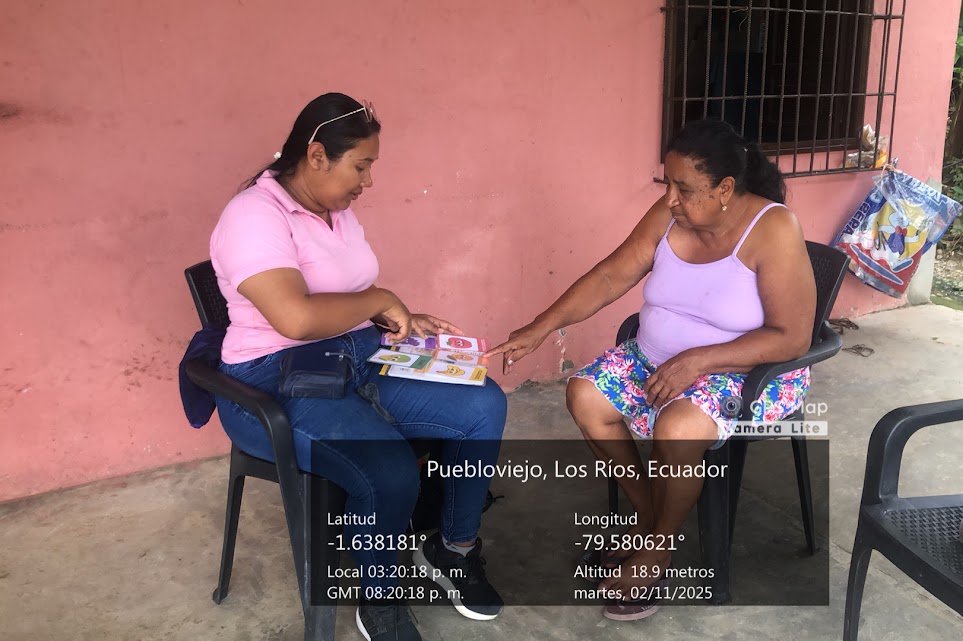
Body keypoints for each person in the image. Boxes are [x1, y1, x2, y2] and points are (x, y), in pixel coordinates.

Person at [488, 118, 816, 620]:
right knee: (584, 395)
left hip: (744, 371)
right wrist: (541, 327)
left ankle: (657, 551)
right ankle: (651, 517)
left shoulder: (772, 228)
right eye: (667, 183)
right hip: (656, 359)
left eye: (683, 188)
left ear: (725, 188)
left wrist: (700, 359)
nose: (670, 199)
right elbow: (610, 276)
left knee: (678, 427)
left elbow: (792, 337)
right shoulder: (671, 215)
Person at [209, 93, 505, 641]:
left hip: (353, 356)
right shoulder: (253, 216)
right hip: (272, 383)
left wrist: (394, 317)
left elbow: (342, 290)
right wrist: (381, 300)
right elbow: (296, 318)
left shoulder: (335, 210)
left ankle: (453, 547)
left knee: (482, 406)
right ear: (317, 156)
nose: (368, 181)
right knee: (389, 466)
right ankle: (380, 600)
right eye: (361, 166)